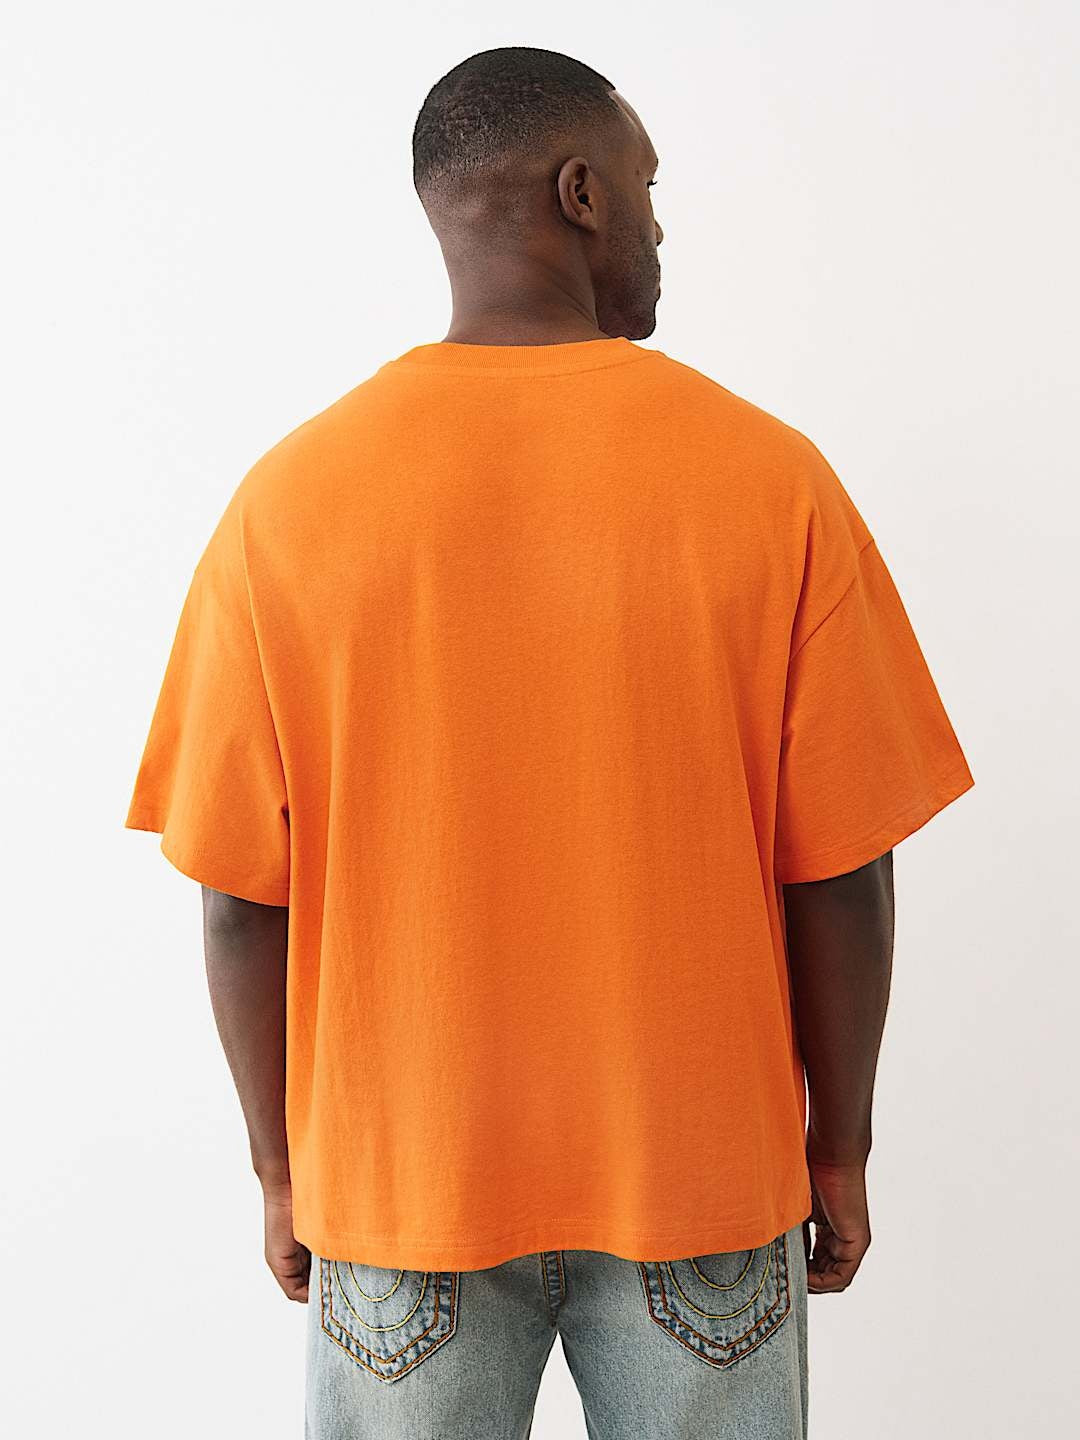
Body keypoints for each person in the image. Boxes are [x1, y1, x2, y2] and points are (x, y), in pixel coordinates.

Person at [125, 46, 973, 1440]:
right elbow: (841, 874)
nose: (659, 224)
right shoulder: (771, 482)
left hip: (402, 1187)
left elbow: (235, 899)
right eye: (647, 185)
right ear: (582, 194)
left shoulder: (288, 505)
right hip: (702, 1181)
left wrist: (281, 1168)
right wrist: (841, 1150)